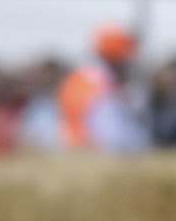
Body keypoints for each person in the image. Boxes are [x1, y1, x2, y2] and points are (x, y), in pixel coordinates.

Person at [53, 25, 148, 153]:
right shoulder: (103, 86)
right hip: (92, 156)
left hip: (76, 153)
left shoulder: (81, 76)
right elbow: (114, 138)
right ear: (115, 58)